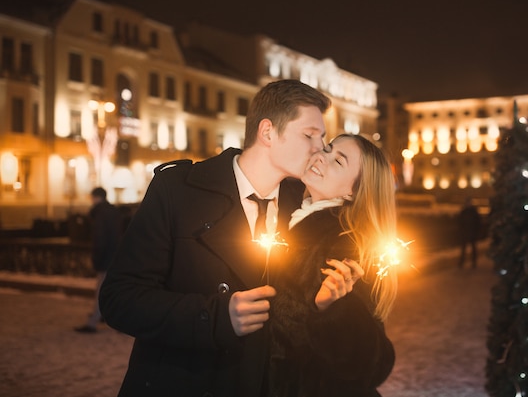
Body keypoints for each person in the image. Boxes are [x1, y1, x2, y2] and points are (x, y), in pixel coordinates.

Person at [99, 79, 330, 397]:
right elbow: (119, 299)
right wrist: (214, 317)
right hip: (185, 383)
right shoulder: (179, 190)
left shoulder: (304, 208)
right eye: (309, 135)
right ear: (267, 132)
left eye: (323, 137)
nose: (320, 148)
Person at [269, 134, 398, 397]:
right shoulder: (293, 215)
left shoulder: (347, 244)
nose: (321, 158)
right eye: (327, 149)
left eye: (338, 162)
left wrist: (332, 310)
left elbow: (370, 364)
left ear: (353, 190)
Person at [74, 187, 123, 333]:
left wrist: (97, 258)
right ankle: (102, 316)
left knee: (101, 290)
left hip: (106, 256)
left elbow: (99, 238)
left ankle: (93, 322)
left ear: (95, 197)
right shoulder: (114, 211)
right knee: (109, 289)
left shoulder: (100, 213)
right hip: (115, 255)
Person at [457, 197, 481, 269]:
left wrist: (476, 232)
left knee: (473, 249)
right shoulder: (464, 212)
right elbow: (460, 222)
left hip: (472, 233)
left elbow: (478, 223)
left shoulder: (473, 212)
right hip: (465, 233)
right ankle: (462, 263)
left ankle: (473, 263)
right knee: (464, 249)